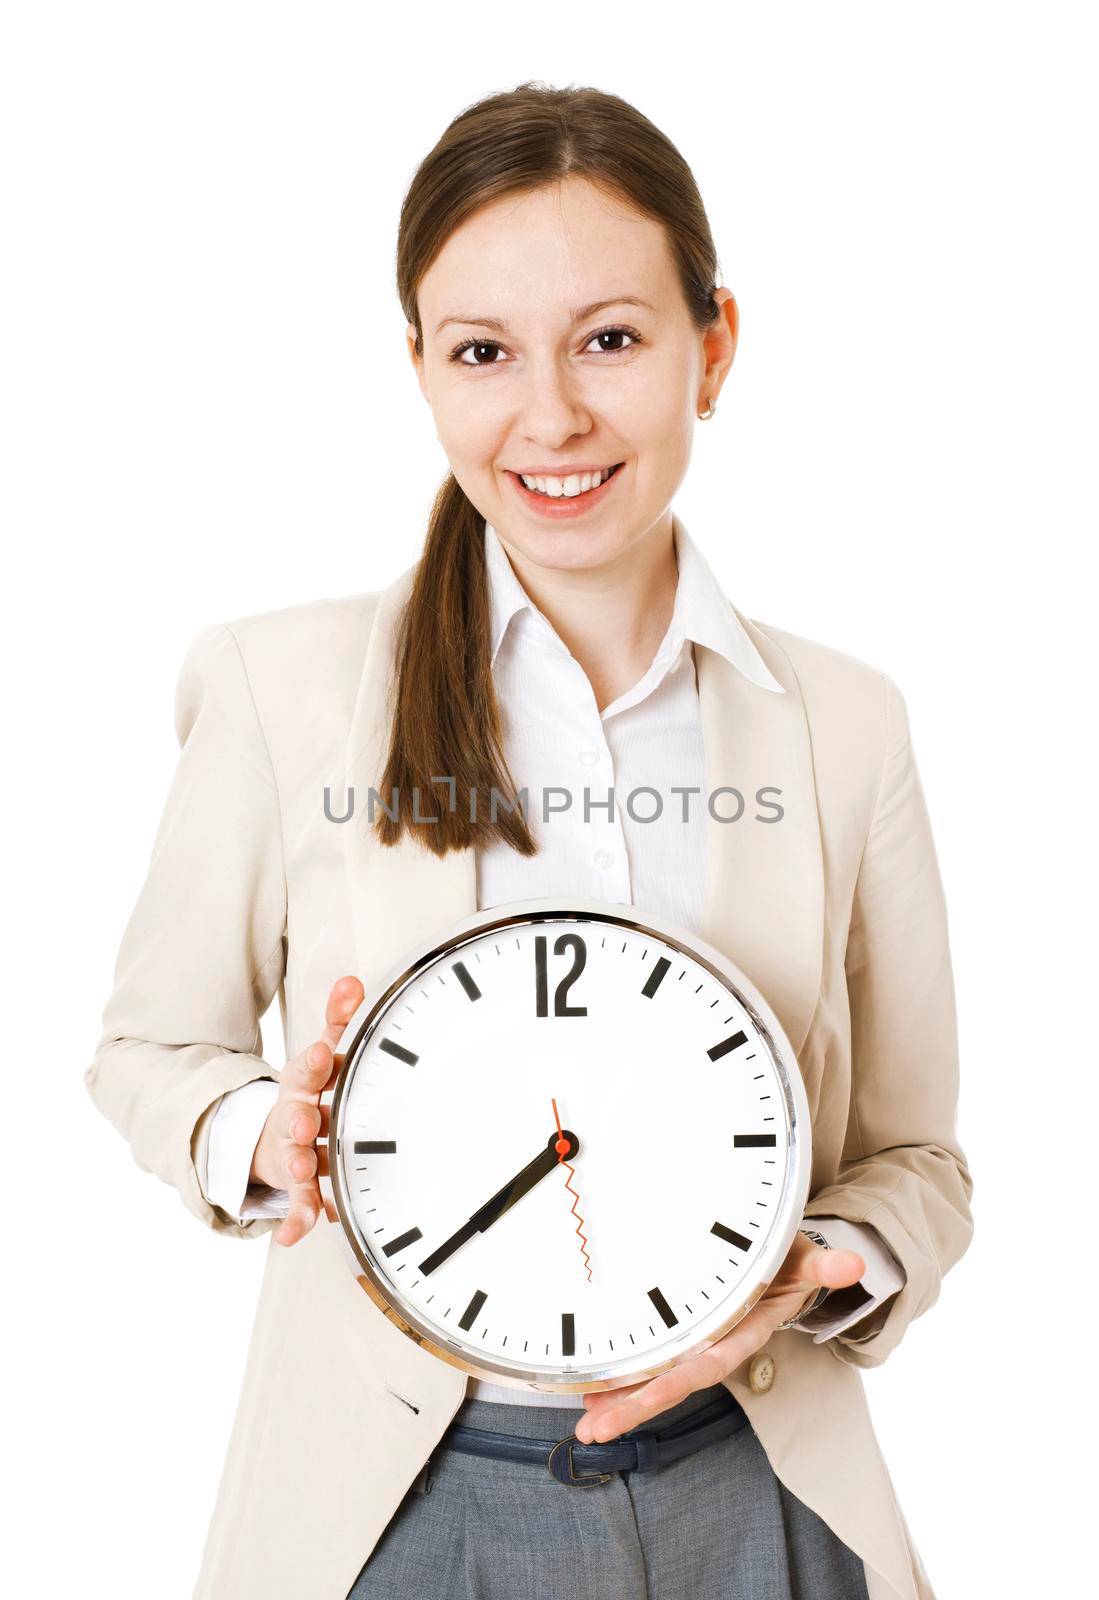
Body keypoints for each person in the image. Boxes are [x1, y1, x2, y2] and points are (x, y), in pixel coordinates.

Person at [86, 82, 973, 1600]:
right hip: (407, 1509)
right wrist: (271, 1138)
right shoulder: (278, 689)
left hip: (752, 1495)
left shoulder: (845, 726)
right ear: (422, 371)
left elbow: (920, 1167)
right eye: (484, 352)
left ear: (716, 346)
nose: (550, 416)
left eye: (611, 339)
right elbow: (149, 1053)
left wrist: (816, 1266)